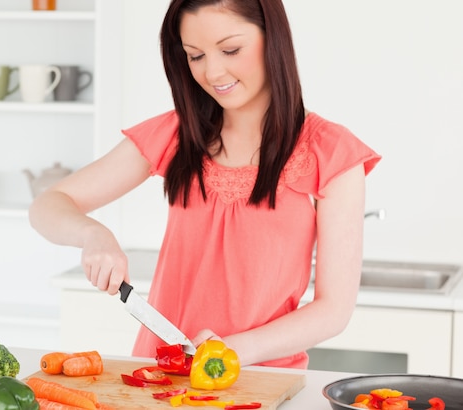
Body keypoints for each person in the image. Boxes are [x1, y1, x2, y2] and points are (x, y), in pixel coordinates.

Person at [29, 0, 381, 369]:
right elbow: (49, 203)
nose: (212, 72)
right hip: (159, 375)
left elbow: (334, 310)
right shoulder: (178, 133)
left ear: (272, 39)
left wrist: (230, 352)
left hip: (261, 381)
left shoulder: (331, 152)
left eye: (230, 49)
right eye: (195, 56)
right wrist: (93, 235)